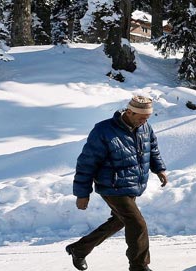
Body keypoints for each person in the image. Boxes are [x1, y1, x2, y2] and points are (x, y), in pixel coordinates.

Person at [65, 96, 168, 271]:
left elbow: (153, 149)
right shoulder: (104, 130)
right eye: (141, 117)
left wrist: (159, 169)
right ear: (129, 112)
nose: (144, 121)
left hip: (132, 184)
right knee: (137, 223)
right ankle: (139, 266)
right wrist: (82, 194)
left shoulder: (145, 127)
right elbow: (86, 162)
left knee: (120, 221)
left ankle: (79, 249)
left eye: (147, 118)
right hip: (111, 186)